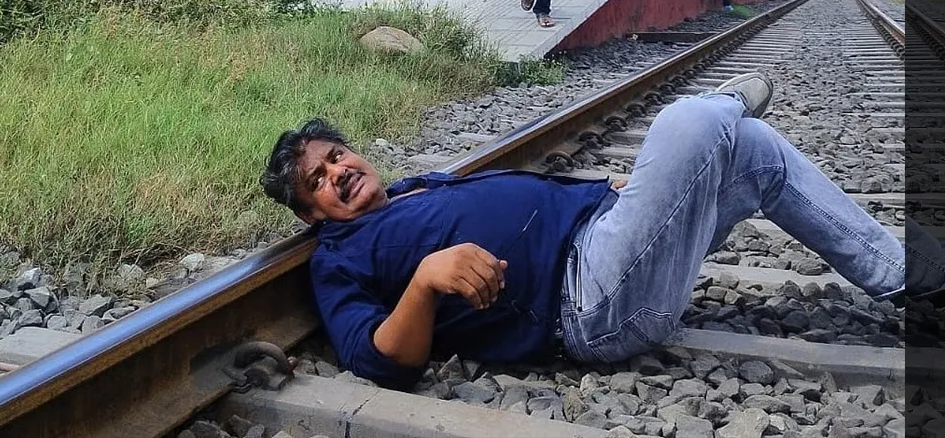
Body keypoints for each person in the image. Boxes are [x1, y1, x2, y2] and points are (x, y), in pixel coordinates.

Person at [259, 72, 911, 390]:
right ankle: (724, 103)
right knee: (691, 124)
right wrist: (425, 282)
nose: (338, 173)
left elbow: (528, 201)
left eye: (336, 156)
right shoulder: (338, 260)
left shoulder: (409, 189)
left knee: (754, 152)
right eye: (318, 179)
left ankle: (905, 276)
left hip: (611, 243)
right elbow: (376, 360)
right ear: (310, 214)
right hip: (588, 304)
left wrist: (610, 190)